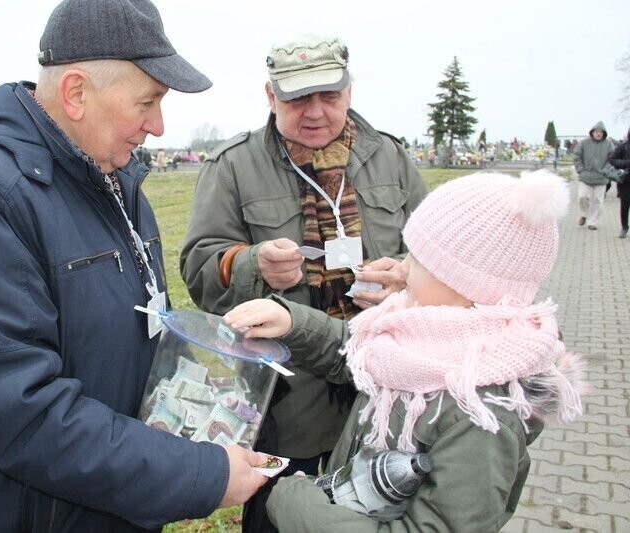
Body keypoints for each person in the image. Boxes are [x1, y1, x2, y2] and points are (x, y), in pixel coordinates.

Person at [0, 1, 267, 531]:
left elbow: (127, 320)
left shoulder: (113, 179)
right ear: (75, 93)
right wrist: (197, 473)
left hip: (112, 504)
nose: (159, 126)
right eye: (148, 101)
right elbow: (20, 413)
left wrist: (209, 365)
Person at [224, 170, 586, 532]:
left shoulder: (481, 416)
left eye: (418, 259)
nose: (404, 269)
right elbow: (358, 354)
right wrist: (292, 322)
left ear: (462, 284)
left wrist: (299, 506)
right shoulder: (424, 337)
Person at [179, 34, 428, 531]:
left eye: (329, 96)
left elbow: (438, 255)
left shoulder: (392, 159)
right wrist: (251, 264)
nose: (315, 112)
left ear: (350, 92)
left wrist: (406, 273)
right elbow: (199, 267)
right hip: (287, 401)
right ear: (271, 96)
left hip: (388, 394)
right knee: (280, 516)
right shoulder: (234, 166)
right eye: (297, 98)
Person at [574, 121, 615, 230]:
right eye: (596, 131)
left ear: (604, 133)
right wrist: (580, 170)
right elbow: (577, 157)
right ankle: (584, 214)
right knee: (582, 197)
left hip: (601, 177)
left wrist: (605, 170)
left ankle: (593, 222)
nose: (598, 134)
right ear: (592, 132)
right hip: (585, 176)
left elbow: (612, 159)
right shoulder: (584, 143)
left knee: (598, 201)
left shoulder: (609, 144)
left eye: (601, 132)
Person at [608, 127, 630, 239]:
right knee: (625, 205)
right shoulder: (623, 147)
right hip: (625, 181)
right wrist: (626, 163)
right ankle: (624, 227)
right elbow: (612, 160)